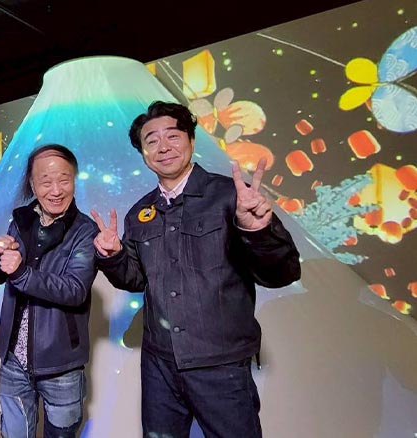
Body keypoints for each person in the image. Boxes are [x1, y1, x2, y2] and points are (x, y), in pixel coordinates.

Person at [91, 101, 301, 438]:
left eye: (172, 136)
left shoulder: (231, 196)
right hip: (159, 364)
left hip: (220, 363)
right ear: (143, 153)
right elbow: (136, 278)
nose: (163, 147)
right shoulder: (140, 213)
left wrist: (258, 231)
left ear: (191, 140)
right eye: (151, 141)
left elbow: (282, 273)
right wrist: (113, 255)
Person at [0, 144, 98, 438]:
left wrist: (22, 274)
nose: (56, 190)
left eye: (64, 180)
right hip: (13, 361)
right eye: (46, 181)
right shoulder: (21, 221)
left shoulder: (85, 231)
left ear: (74, 180)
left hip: (62, 365)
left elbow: (75, 289)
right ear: (33, 185)